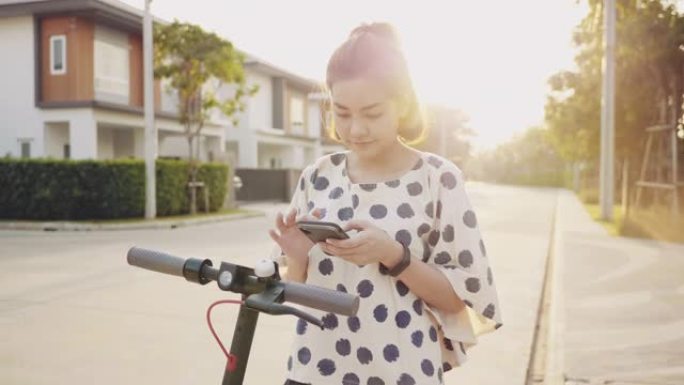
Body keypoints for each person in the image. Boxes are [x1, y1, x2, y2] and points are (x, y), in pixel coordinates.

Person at [268, 22, 502, 385]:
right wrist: (297, 257)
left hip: (401, 372)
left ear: (403, 104)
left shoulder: (438, 178)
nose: (356, 129)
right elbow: (292, 293)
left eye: (372, 113)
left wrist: (393, 253)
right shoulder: (318, 175)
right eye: (342, 113)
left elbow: (460, 301)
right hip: (314, 369)